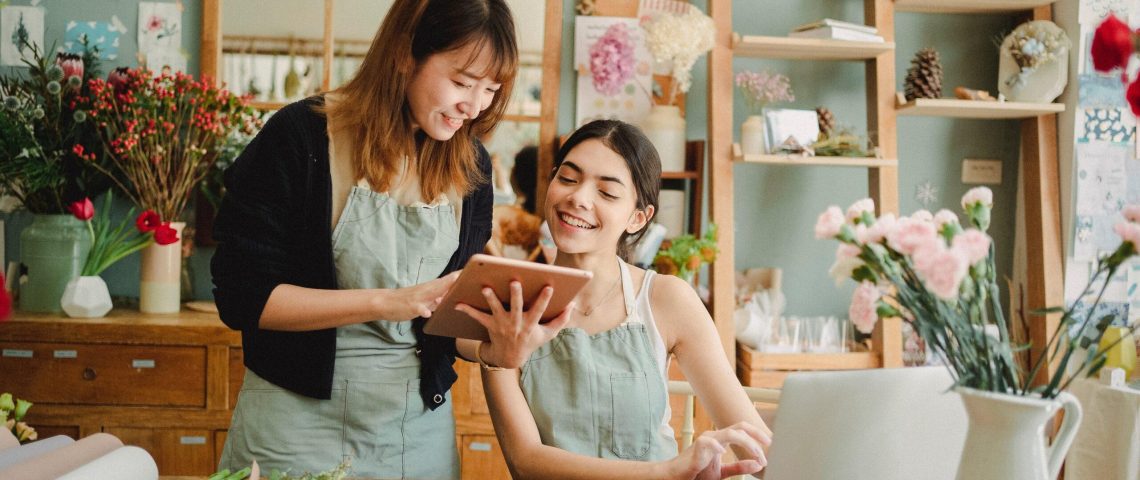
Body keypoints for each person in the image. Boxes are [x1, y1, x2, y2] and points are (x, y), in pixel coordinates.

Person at [210, 1, 570, 477]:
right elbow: (243, 299)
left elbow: (447, 325)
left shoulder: (472, 167)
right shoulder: (301, 138)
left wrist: (495, 346)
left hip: (415, 431)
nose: (475, 105)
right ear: (406, 55)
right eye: (462, 82)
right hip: (292, 424)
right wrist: (386, 302)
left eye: (490, 89)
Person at [466, 120, 773, 479]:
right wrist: (667, 473)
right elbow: (526, 460)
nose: (579, 198)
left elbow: (756, 446)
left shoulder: (666, 299)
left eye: (608, 193)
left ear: (638, 217)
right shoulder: (508, 302)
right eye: (567, 178)